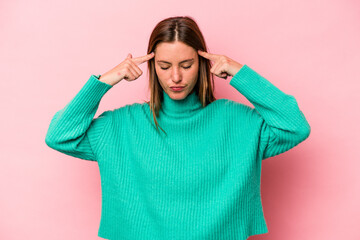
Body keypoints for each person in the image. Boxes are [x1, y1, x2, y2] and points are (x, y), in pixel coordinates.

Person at [45, 16, 311, 240]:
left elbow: (295, 127)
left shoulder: (239, 121)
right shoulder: (121, 125)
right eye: (164, 66)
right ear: (152, 67)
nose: (175, 77)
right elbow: (59, 136)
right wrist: (104, 81)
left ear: (202, 63)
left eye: (186, 65)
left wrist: (239, 72)